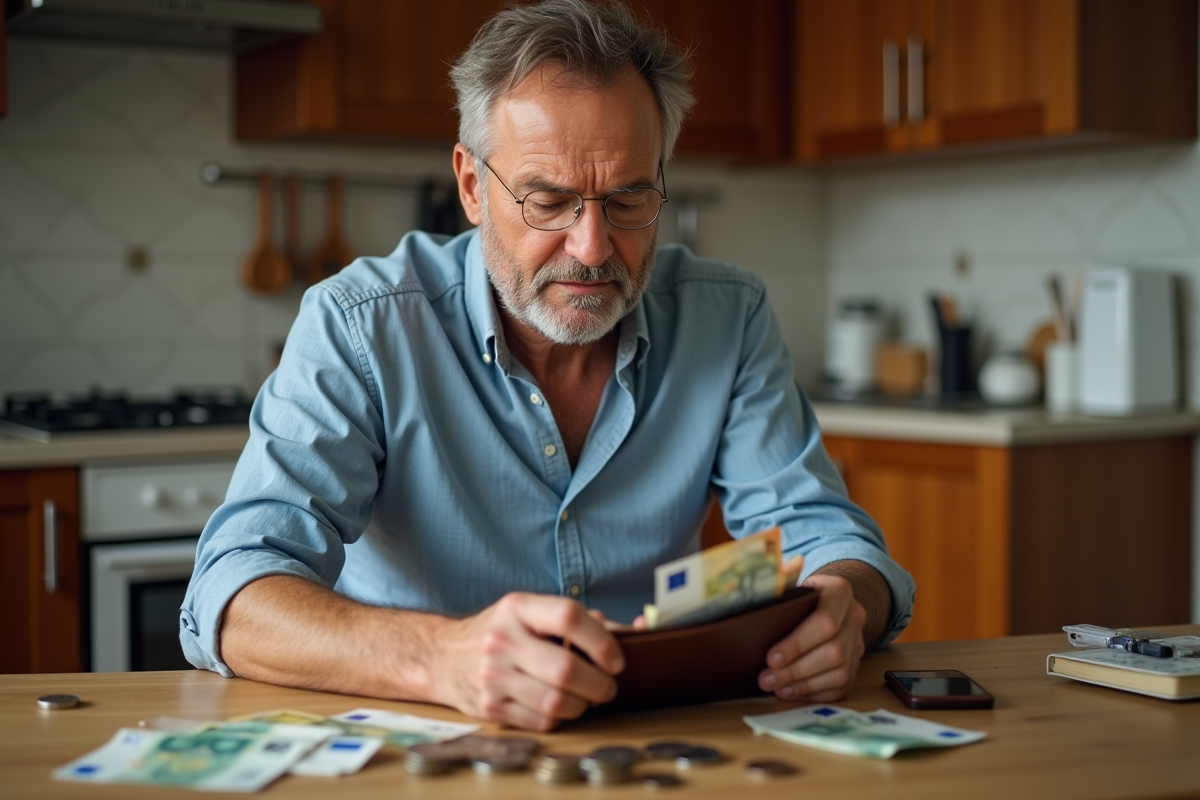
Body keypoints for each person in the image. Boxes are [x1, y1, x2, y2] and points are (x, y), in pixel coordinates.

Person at [181, 0, 915, 732]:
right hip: (428, 747)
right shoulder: (358, 325)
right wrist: (442, 658)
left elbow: (827, 536)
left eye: (629, 199)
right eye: (548, 201)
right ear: (472, 187)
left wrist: (844, 605)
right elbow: (234, 591)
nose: (593, 248)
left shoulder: (728, 315)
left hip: (659, 741)